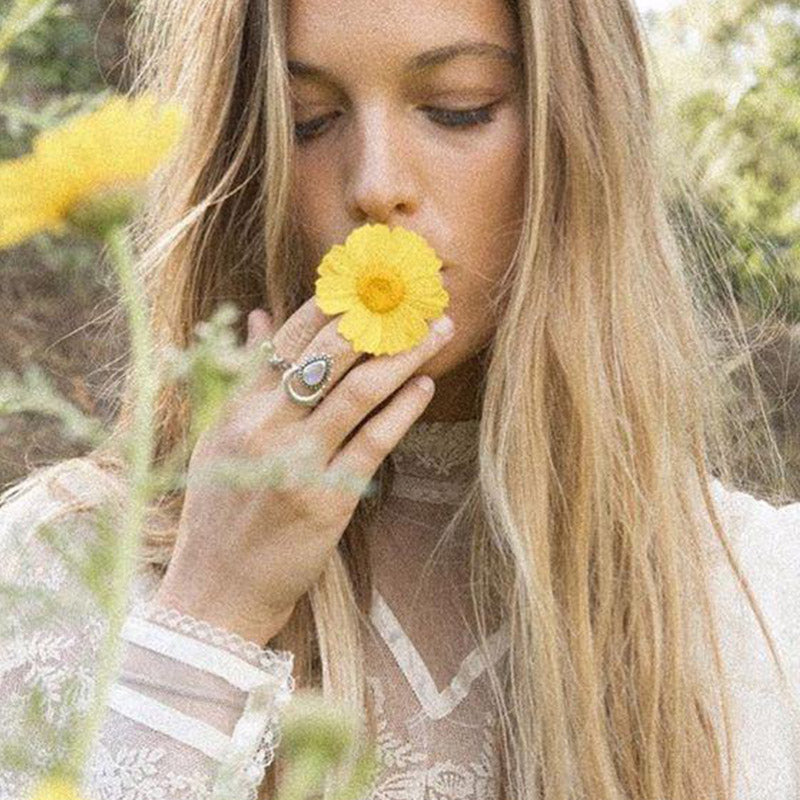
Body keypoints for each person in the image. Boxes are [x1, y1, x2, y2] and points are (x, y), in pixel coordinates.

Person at [1, 0, 799, 798]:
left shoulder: (766, 603)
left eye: (459, 109)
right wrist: (208, 611)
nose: (376, 185)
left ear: (579, 140)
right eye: (308, 121)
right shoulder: (56, 571)